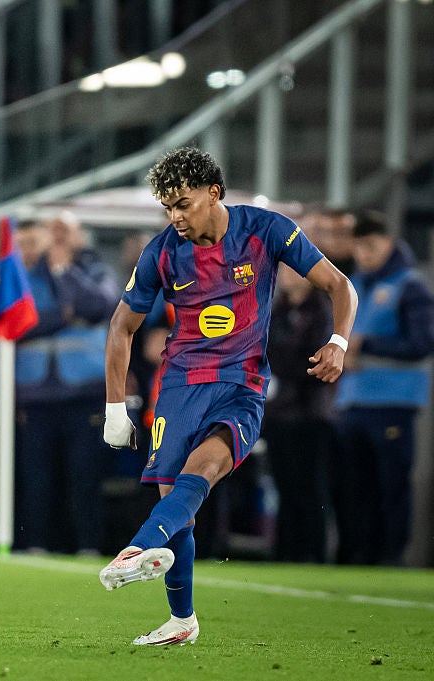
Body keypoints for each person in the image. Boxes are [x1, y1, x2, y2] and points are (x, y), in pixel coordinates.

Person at [98, 147, 357, 646]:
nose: (175, 216)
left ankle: (137, 547)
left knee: (204, 472)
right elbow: (121, 327)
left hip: (242, 384)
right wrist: (114, 407)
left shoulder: (266, 229)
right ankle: (182, 620)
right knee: (176, 501)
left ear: (214, 193)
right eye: (167, 207)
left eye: (183, 203)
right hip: (178, 387)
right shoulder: (162, 253)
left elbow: (339, 285)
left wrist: (338, 342)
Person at [332, 210, 434, 565]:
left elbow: (423, 343)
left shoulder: (411, 286)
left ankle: (393, 557)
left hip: (394, 401)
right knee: (357, 488)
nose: (365, 254)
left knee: (392, 486)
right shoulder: (354, 285)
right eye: (359, 247)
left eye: (371, 246)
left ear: (389, 243)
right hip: (353, 401)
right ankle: (361, 556)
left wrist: (367, 346)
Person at [13, 214, 119, 555]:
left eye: (65, 231)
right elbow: (17, 324)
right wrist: (66, 314)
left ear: (80, 237)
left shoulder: (96, 270)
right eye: (52, 230)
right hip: (35, 394)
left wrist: (65, 272)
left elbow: (102, 306)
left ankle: (89, 547)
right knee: (36, 478)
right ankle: (36, 545)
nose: (57, 237)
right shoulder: (24, 276)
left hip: (83, 391)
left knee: (85, 476)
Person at [261, 264, 337, 562]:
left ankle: (314, 554)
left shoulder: (322, 312)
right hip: (279, 413)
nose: (288, 276)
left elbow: (314, 360)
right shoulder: (277, 311)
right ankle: (285, 552)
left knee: (311, 486)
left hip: (311, 412)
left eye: (294, 270)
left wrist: (282, 363)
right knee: (284, 485)